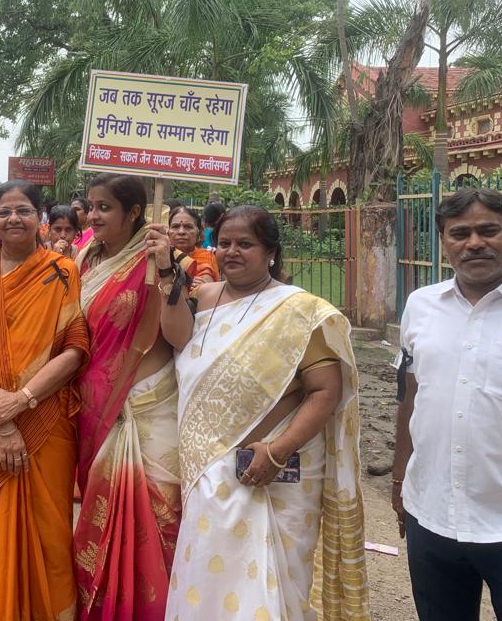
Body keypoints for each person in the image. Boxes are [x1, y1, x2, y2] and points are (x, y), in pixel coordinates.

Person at [156, 205, 368, 620]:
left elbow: (326, 390)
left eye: (245, 244)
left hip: (269, 471)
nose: (231, 252)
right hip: (207, 468)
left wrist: (277, 451)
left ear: (271, 251)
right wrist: (167, 275)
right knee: (208, 577)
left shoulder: (299, 311)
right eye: (224, 243)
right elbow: (178, 339)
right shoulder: (205, 297)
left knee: (272, 584)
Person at [393, 188, 502, 621]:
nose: (474, 243)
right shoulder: (421, 306)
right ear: (444, 242)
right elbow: (411, 395)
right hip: (431, 514)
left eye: (488, 230)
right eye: (460, 233)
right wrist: (399, 483)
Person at [0, 180, 89, 621]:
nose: (15, 218)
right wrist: (4, 420)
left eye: (24, 210)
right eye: (6, 211)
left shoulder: (62, 272)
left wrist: (24, 399)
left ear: (40, 219)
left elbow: (73, 347)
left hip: (46, 417)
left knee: (49, 529)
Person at [72, 173, 182, 620]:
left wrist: (168, 271)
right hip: (95, 406)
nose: (92, 215)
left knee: (158, 518)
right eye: (91, 206)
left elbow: (179, 336)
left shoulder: (164, 262)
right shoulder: (83, 260)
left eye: (104, 208)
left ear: (134, 212)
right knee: (97, 518)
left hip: (150, 407)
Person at [167, 206, 219, 285]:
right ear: (168, 232)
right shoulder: (161, 257)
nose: (181, 232)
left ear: (198, 232)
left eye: (188, 227)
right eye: (175, 226)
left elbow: (209, 287)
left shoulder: (207, 257)